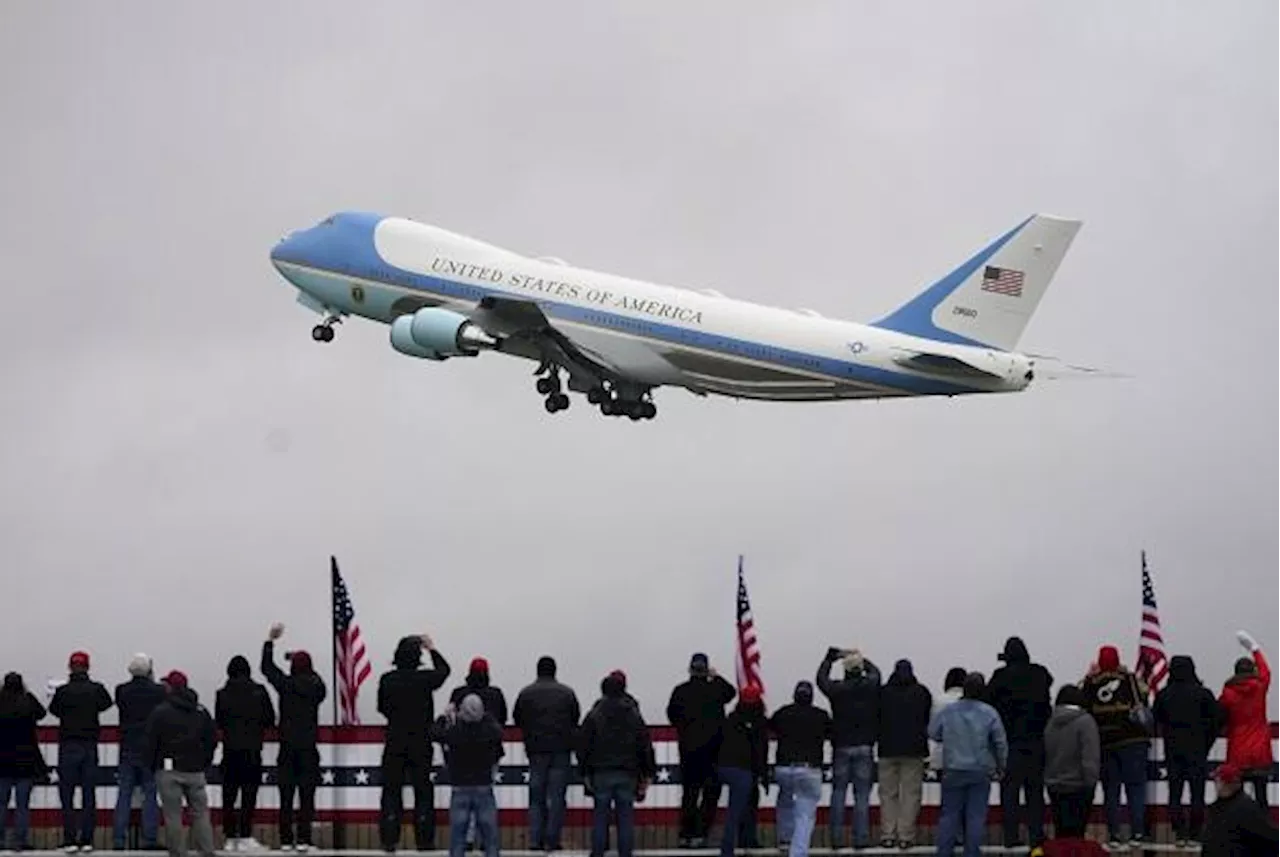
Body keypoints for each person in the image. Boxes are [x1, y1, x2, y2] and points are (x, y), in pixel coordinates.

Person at [377, 634, 451, 853]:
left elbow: (382, 708)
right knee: (423, 792)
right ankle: (424, 840)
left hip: (395, 741)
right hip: (421, 741)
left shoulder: (387, 679)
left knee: (391, 791)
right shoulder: (424, 679)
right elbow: (444, 671)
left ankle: (389, 838)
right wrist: (432, 648)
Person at [261, 623, 327, 851]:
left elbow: (267, 668)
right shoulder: (317, 687)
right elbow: (317, 679)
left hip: (287, 747)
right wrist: (302, 661)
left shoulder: (286, 685)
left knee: (286, 797)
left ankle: (286, 839)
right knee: (307, 797)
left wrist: (270, 642)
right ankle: (306, 839)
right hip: (308, 748)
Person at [928, 672, 1008, 857]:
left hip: (953, 768)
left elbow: (933, 732)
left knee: (949, 816)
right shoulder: (989, 712)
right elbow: (1000, 742)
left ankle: (944, 853)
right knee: (975, 817)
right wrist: (1001, 766)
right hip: (980, 770)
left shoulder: (949, 711)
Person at [1080, 645, 1152, 846]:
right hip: (1133, 741)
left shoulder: (1092, 683)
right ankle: (1137, 833)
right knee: (1135, 788)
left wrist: (1088, 677)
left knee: (1111, 790)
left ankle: (1113, 835)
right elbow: (1145, 696)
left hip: (1106, 743)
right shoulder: (1129, 679)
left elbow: (1081, 704)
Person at [987, 637, 1053, 850]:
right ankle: (1036, 835)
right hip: (1036, 741)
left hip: (1010, 743)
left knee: (1010, 792)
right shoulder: (1040, 674)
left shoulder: (1000, 677)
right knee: (1035, 792)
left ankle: (1011, 836)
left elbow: (989, 704)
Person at [580, 673, 656, 857]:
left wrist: (584, 773)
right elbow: (644, 745)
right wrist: (648, 773)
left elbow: (583, 746)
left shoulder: (594, 715)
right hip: (627, 773)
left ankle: (598, 853)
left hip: (601, 773)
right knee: (625, 820)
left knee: (600, 819)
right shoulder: (633, 714)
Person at [144, 670, 217, 857]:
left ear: (171, 688)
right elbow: (211, 740)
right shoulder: (201, 711)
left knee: (173, 815)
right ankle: (207, 850)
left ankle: (178, 853)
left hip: (168, 770)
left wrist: (152, 766)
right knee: (201, 813)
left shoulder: (160, 712)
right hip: (195, 769)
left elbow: (151, 741)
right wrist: (204, 762)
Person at [666, 653, 736, 848]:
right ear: (706, 669)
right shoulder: (715, 689)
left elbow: (672, 715)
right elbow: (731, 692)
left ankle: (686, 834)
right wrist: (716, 677)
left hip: (688, 751)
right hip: (714, 752)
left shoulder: (680, 691)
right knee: (710, 794)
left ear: (690, 669)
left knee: (689, 793)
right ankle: (702, 833)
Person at [512, 655, 581, 852]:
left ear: (538, 671)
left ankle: (535, 839)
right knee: (557, 797)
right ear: (554, 671)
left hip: (535, 751)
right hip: (561, 750)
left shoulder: (526, 693)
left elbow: (517, 718)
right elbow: (575, 718)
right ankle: (552, 840)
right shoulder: (567, 693)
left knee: (536, 797)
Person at [1154, 655, 1223, 845]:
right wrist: (1206, 743)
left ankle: (1179, 832)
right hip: (1197, 750)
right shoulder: (1203, 694)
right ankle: (1195, 832)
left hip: (1173, 750)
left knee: (1174, 793)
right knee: (1197, 794)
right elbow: (1217, 721)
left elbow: (1155, 720)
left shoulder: (1164, 694)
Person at [816, 647, 881, 851]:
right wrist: (861, 657)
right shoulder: (870, 687)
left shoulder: (838, 690)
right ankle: (860, 838)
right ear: (860, 670)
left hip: (842, 745)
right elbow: (876, 674)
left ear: (844, 671)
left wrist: (830, 658)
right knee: (862, 795)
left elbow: (821, 680)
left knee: (838, 793)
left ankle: (836, 838)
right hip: (864, 745)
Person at [49, 651, 112, 852]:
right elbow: (106, 704)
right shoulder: (97, 689)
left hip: (68, 745)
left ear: (70, 667)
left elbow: (54, 711)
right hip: (89, 745)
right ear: (88, 667)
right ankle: (87, 839)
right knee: (88, 794)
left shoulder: (63, 692)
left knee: (67, 795)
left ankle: (69, 839)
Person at [215, 654, 276, 851]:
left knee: (229, 796)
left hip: (230, 751)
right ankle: (246, 834)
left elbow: (220, 722)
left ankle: (230, 837)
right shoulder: (259, 692)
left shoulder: (222, 694)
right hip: (252, 750)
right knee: (249, 795)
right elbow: (270, 719)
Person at [432, 694, 504, 857]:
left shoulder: (455, 732)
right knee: (490, 837)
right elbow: (498, 731)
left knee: (458, 838)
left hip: (460, 787)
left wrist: (444, 716)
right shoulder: (488, 731)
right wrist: (486, 716)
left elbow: (435, 733)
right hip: (484, 786)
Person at [768, 680, 832, 857]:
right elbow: (831, 732)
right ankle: (798, 853)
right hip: (809, 769)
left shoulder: (783, 713)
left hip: (784, 768)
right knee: (805, 814)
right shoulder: (821, 715)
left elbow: (769, 728)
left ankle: (785, 840)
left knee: (785, 802)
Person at [877, 659, 933, 849]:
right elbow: (926, 719)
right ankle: (905, 836)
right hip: (914, 750)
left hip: (887, 749)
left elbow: (876, 717)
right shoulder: (921, 692)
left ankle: (887, 835)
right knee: (910, 794)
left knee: (887, 794)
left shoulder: (883, 693)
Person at [112, 654, 165, 851]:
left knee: (124, 794)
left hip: (127, 747)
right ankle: (150, 838)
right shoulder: (158, 691)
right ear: (149, 671)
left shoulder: (121, 691)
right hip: (150, 749)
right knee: (150, 794)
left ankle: (119, 839)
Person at [1219, 631, 1272, 810]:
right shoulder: (1259, 688)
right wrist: (1254, 648)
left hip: (1237, 750)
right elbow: (1266, 671)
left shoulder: (1228, 692)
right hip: (1260, 749)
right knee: (1261, 795)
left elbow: (1219, 714)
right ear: (1252, 671)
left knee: (1236, 797)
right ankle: (1264, 830)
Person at [716, 683, 768, 857]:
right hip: (744, 770)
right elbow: (760, 751)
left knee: (735, 809)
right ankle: (736, 845)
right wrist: (763, 774)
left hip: (723, 766)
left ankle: (735, 844)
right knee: (739, 810)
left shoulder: (731, 719)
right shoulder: (759, 723)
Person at [1043, 685, 1100, 839]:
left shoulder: (1049, 722)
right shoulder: (1085, 722)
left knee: (1061, 833)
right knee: (1077, 835)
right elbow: (1090, 755)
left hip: (1054, 785)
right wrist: (1091, 782)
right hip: (1079, 786)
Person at [0, 673, 46, 852]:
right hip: (26, 760)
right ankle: (20, 841)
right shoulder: (27, 701)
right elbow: (41, 714)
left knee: (1, 803)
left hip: (2, 761)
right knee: (22, 805)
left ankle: (0, 840)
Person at [1201, 762, 1280, 857]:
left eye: (1218, 780)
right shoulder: (1216, 807)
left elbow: (1269, 838)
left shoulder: (1246, 809)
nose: (1216, 785)